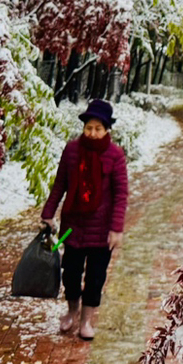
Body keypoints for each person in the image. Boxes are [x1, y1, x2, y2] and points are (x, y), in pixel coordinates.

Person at [40, 98, 129, 339]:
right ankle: (72, 312)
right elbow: (60, 184)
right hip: (72, 226)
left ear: (107, 129)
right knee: (70, 273)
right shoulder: (71, 150)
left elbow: (121, 194)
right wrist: (48, 213)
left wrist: (116, 229)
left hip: (102, 230)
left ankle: (87, 321)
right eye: (89, 128)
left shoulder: (115, 155)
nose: (92, 133)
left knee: (95, 277)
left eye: (98, 129)